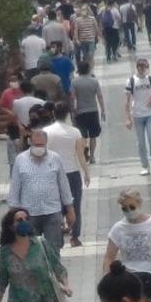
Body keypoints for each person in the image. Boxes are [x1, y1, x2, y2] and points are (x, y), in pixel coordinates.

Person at [7, 129, 75, 252]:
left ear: (46, 143)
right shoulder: (20, 160)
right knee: (31, 251)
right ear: (30, 143)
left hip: (52, 212)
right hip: (29, 213)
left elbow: (64, 185)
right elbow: (15, 187)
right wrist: (13, 213)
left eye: (41, 145)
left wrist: (70, 209)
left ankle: (55, 270)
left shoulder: (55, 158)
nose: (39, 148)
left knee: (53, 249)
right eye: (36, 145)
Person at [44, 103, 89, 249]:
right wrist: (86, 173)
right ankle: (74, 237)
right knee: (75, 206)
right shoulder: (75, 132)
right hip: (72, 173)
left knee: (56, 206)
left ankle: (58, 236)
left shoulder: (46, 132)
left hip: (53, 173)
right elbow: (80, 155)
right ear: (68, 114)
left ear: (53, 114)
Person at [125, 59, 151, 175]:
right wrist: (128, 117)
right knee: (140, 142)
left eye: (144, 67)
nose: (142, 69)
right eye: (140, 67)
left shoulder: (150, 79)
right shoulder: (131, 81)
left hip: (150, 113)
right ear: (137, 67)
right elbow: (127, 99)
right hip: (137, 114)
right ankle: (144, 165)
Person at [70, 61, 105, 165]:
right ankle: (93, 156)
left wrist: (73, 111)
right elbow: (99, 96)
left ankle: (85, 148)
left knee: (83, 135)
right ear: (88, 69)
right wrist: (103, 109)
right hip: (93, 111)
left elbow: (73, 97)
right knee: (93, 135)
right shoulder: (94, 81)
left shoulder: (75, 82)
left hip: (80, 111)